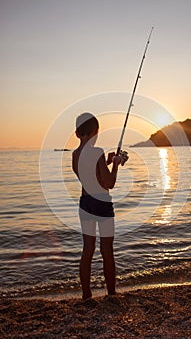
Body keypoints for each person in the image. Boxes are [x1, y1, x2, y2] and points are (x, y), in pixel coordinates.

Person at [72, 112, 127, 300]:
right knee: (106, 251)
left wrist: (107, 162)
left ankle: (86, 295)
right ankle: (111, 293)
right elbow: (108, 183)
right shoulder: (96, 152)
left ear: (77, 133)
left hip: (85, 203)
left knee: (87, 250)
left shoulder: (75, 155)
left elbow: (91, 178)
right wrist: (116, 165)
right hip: (102, 204)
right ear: (96, 132)